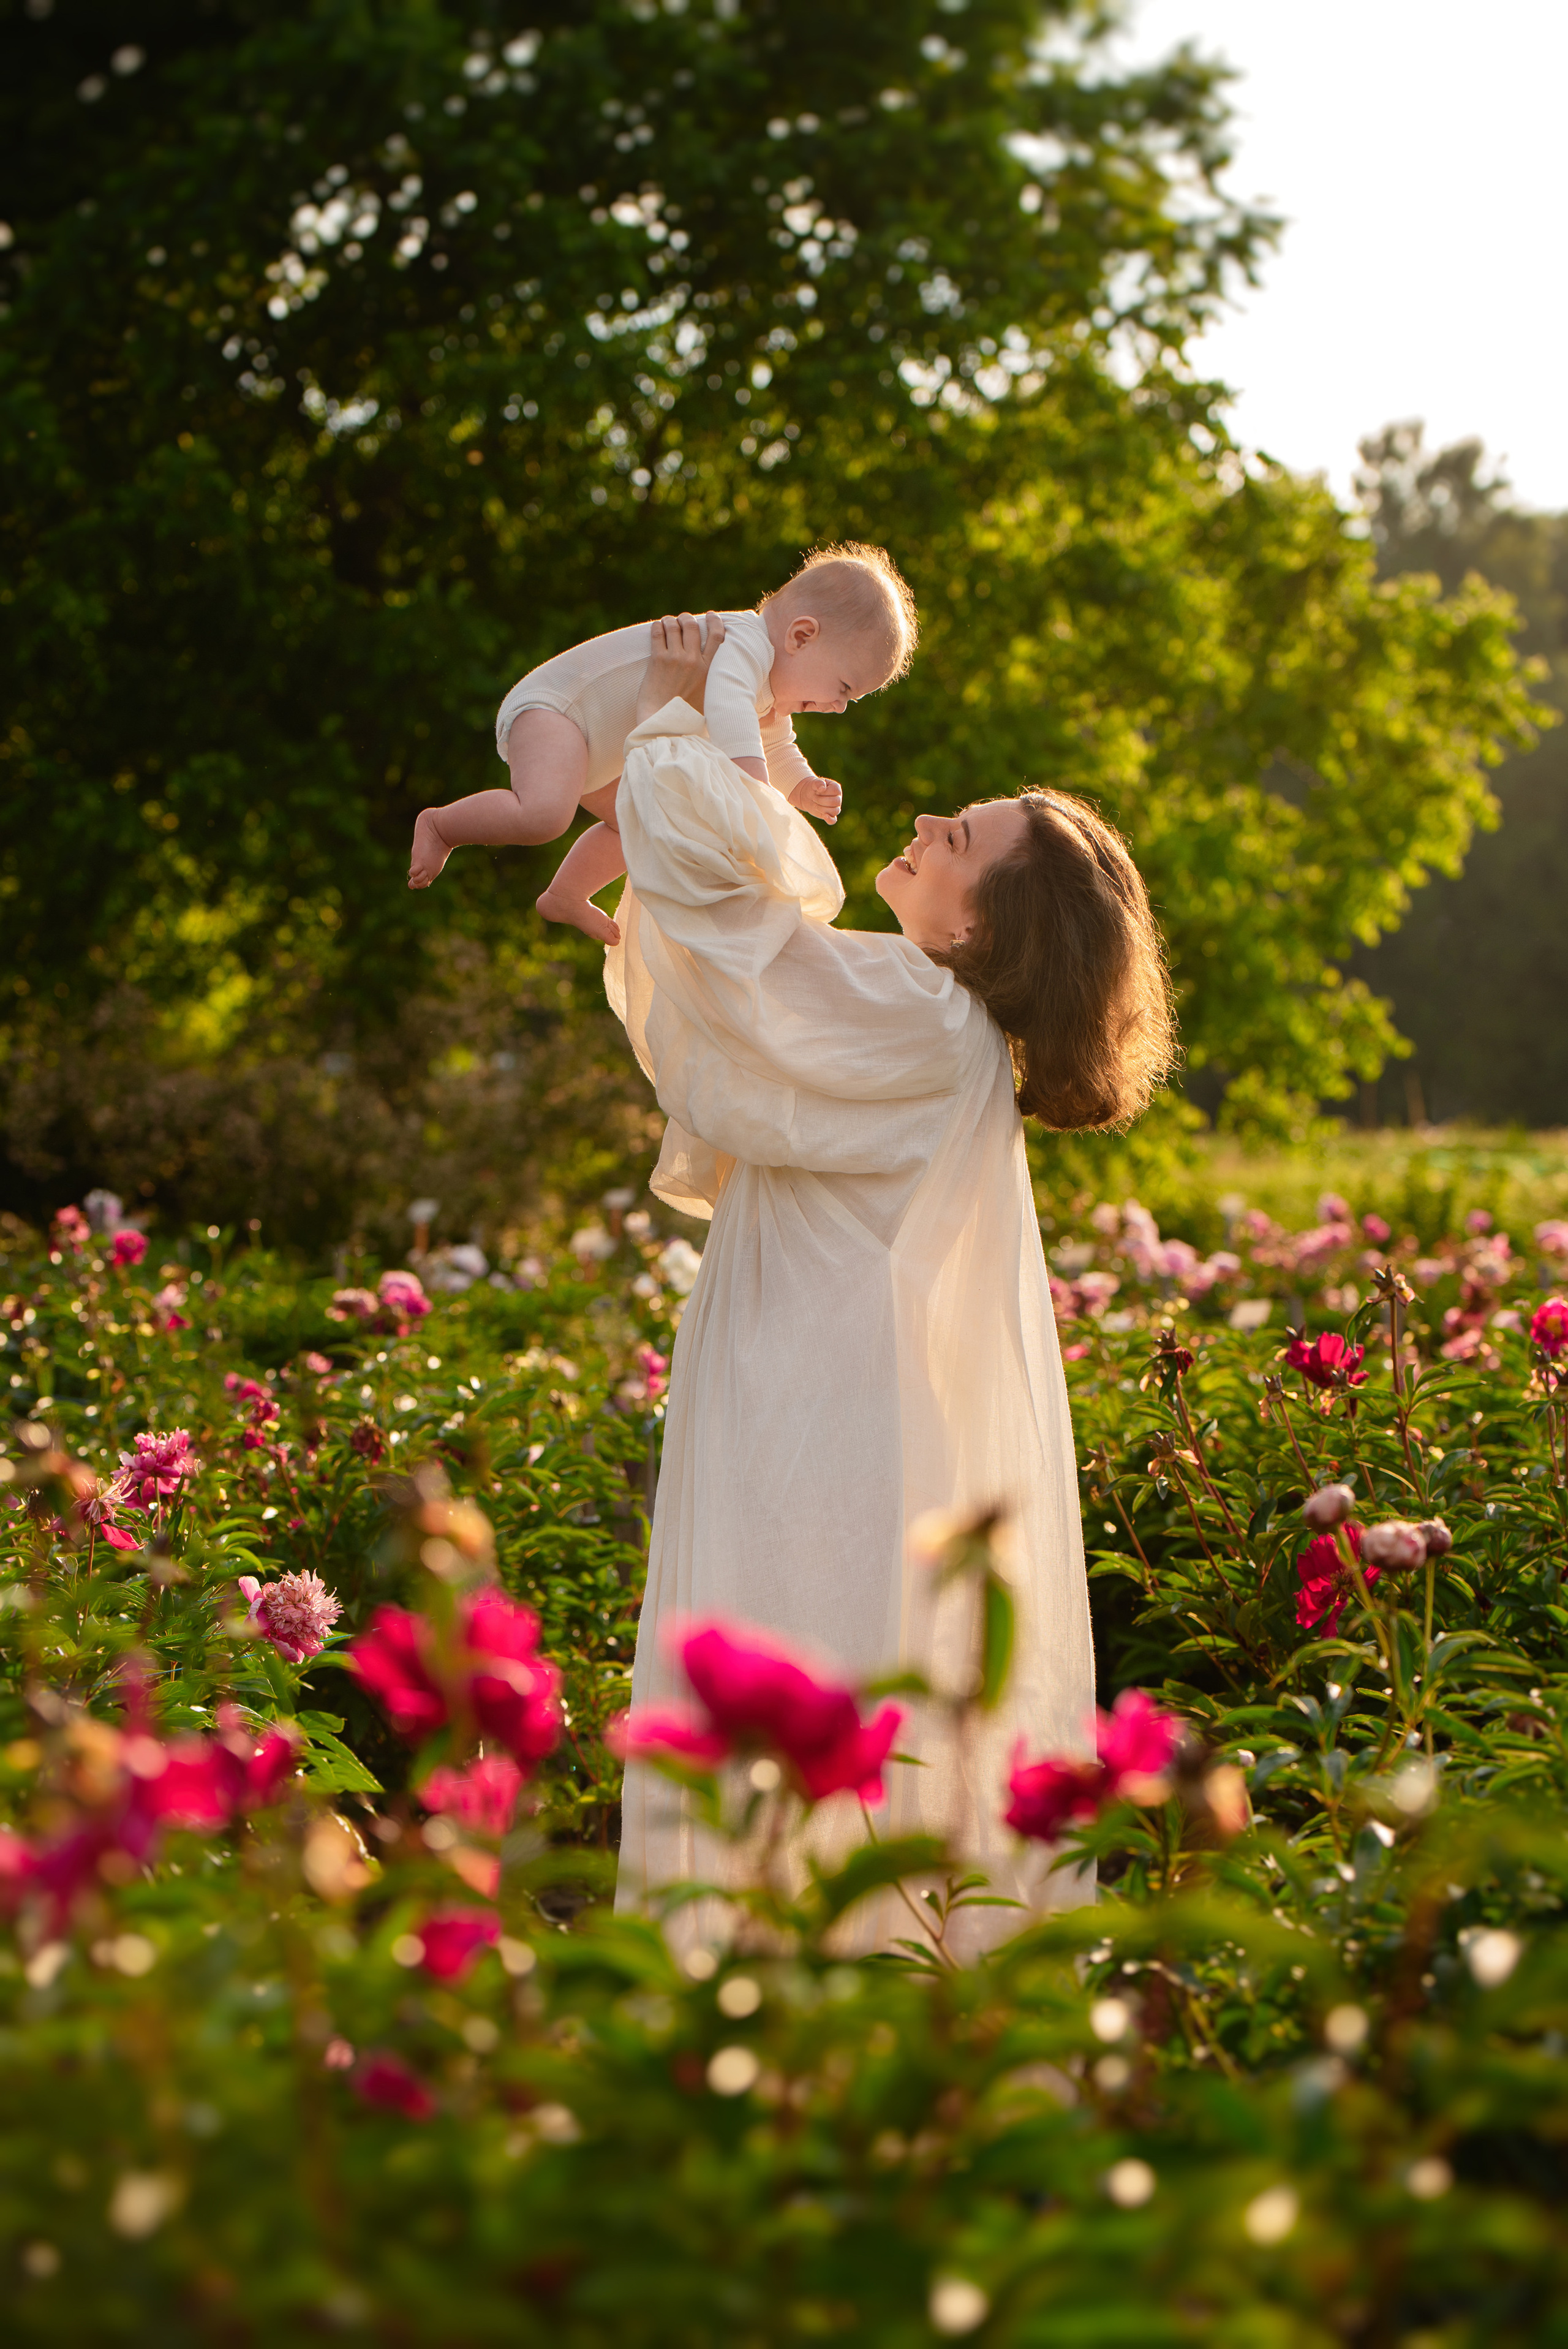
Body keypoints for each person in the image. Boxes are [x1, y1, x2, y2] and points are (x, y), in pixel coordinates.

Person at [606, 615, 1175, 1960]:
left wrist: (692, 717)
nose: (924, 819)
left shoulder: (924, 1017)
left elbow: (736, 963)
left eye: (960, 838)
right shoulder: (913, 1006)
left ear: (986, 921)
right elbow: (739, 972)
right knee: (806, 1684)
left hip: (822, 1430)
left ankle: (803, 2001)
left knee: (809, 1674)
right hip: (809, 1403)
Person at [406, 543, 918, 945]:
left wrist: (801, 787)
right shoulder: (743, 644)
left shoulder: (767, 692)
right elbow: (729, 708)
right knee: (544, 816)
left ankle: (565, 895)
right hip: (561, 711)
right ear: (801, 636)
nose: (840, 706)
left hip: (601, 751)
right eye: (845, 689)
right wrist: (754, 791)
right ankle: (441, 825)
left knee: (638, 824)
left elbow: (776, 747)